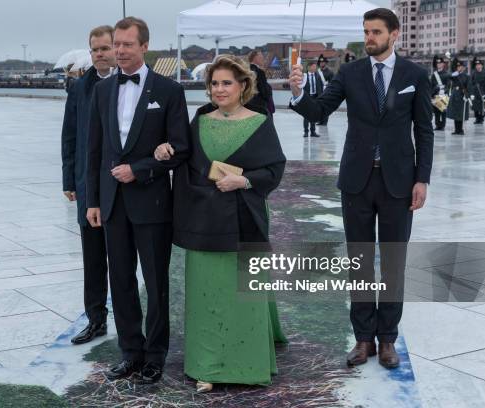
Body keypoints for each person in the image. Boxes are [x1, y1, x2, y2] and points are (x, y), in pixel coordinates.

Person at [288, 8, 433, 369]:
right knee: (361, 261)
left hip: (399, 181)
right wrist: (298, 92)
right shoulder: (350, 73)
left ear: (394, 34)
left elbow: (424, 130)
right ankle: (363, 339)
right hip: (357, 180)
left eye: (376, 32)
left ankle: (388, 340)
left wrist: (422, 178)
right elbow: (319, 111)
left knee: (394, 263)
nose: (369, 37)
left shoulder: (415, 74)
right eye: (366, 31)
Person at [154, 54, 287, 392]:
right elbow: (185, 158)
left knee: (244, 294)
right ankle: (207, 366)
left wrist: (243, 182)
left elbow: (273, 170)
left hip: (246, 218)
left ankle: (248, 364)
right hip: (205, 220)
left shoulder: (259, 122)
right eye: (214, 83)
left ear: (244, 85)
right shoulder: (199, 120)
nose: (219, 89)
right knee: (207, 295)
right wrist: (165, 150)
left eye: (227, 82)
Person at [86, 16, 191, 384]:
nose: (119, 50)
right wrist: (93, 201)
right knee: (122, 282)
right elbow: (95, 151)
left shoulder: (169, 91)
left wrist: (141, 168)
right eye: (116, 44)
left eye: (127, 44)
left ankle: (155, 355)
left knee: (156, 282)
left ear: (144, 46)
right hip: (112, 204)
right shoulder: (101, 91)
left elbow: (181, 148)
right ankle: (130, 351)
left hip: (152, 204)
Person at [61, 25, 117, 346]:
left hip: (121, 186)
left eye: (105, 48)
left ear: (116, 49)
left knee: (122, 258)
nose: (100, 54)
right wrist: (70, 179)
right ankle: (96, 319)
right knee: (93, 258)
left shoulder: (127, 84)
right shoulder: (80, 87)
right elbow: (69, 135)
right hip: (88, 187)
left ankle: (129, 319)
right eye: (95, 49)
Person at [446, 59, 471, 135]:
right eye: (458, 66)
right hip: (455, 96)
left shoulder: (466, 76)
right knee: (455, 113)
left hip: (461, 96)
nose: (459, 68)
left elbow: (468, 86)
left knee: (461, 114)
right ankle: (456, 130)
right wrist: (454, 73)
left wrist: (467, 94)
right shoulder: (454, 75)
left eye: (461, 66)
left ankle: (461, 130)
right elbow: (448, 77)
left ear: (464, 68)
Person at [247, 50, 275, 114]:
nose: (263, 58)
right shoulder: (259, 72)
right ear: (255, 57)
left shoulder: (245, 70)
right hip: (259, 107)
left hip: (247, 105)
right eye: (261, 56)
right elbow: (264, 91)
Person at [302, 60, 324, 138]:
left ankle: (313, 131)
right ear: (309, 67)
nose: (315, 68)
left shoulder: (317, 75)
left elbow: (321, 86)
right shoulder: (304, 76)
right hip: (307, 97)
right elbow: (300, 87)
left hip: (315, 97)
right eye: (314, 66)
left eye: (315, 67)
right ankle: (306, 132)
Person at [430, 55, 451, 131]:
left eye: (440, 63)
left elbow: (448, 85)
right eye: (437, 63)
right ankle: (437, 125)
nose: (439, 64)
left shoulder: (447, 74)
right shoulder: (434, 75)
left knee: (443, 111)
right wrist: (433, 91)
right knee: (436, 112)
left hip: (443, 95)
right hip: (435, 94)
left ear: (443, 64)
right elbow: (431, 85)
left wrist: (445, 90)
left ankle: (442, 125)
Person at [317, 54, 334, 125]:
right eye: (320, 62)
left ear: (325, 63)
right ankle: (320, 120)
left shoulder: (330, 72)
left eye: (323, 62)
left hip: (326, 92)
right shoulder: (317, 72)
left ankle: (325, 121)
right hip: (318, 92)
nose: (322, 63)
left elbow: (332, 83)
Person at [471, 58, 485, 124]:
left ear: (482, 66)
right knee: (475, 106)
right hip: (475, 92)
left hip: (483, 92)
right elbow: (471, 83)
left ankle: (481, 118)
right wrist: (471, 92)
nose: (478, 66)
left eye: (479, 65)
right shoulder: (473, 73)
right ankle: (477, 118)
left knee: (483, 106)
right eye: (477, 65)